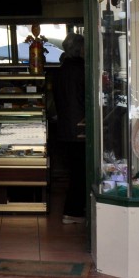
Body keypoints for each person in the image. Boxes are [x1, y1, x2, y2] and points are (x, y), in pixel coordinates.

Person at [53, 32, 86, 224]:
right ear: (79, 49)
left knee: (75, 171)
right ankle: (73, 212)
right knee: (80, 173)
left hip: (65, 128)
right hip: (80, 129)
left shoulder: (60, 70)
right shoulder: (82, 70)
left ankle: (74, 210)